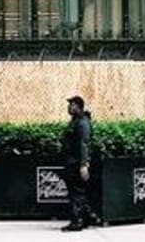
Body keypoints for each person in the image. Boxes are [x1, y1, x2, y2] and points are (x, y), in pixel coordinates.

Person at [60, 95, 99, 232]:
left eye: (72, 105)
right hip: (71, 163)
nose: (69, 107)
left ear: (79, 107)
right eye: (69, 105)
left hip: (76, 164)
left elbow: (84, 145)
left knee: (76, 193)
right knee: (77, 191)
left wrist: (84, 165)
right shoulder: (75, 121)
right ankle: (88, 217)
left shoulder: (82, 123)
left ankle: (77, 221)